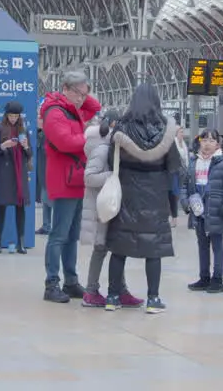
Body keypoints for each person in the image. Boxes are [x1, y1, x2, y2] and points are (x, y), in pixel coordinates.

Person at [103, 83, 181, 314]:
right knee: (153, 249)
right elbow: (174, 165)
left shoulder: (122, 128)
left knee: (119, 248)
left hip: (126, 193)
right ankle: (153, 299)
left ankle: (112, 297)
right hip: (155, 195)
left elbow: (110, 159)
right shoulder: (166, 130)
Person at [39, 71, 101, 303]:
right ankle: (51, 283)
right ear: (65, 89)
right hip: (64, 180)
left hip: (76, 179)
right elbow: (64, 142)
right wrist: (90, 140)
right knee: (59, 234)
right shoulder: (55, 112)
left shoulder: (73, 109)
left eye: (84, 93)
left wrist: (83, 94)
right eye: (78, 93)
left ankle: (71, 281)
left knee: (72, 235)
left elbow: (95, 107)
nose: (82, 99)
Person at [81, 109, 141, 308]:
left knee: (118, 248)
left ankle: (120, 290)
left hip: (113, 206)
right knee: (100, 249)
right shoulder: (101, 149)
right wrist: (111, 176)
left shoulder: (115, 149)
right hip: (102, 207)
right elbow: (89, 178)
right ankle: (91, 291)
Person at [185, 128, 223, 294]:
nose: (207, 144)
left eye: (211, 141)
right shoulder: (193, 162)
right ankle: (204, 277)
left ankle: (217, 279)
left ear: (217, 144)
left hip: (216, 210)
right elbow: (185, 185)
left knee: (217, 245)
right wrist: (186, 203)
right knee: (202, 245)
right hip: (198, 211)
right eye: (204, 140)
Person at [0, 101, 31, 254]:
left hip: (19, 173)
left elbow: (30, 154)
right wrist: (3, 146)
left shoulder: (23, 130)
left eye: (16, 116)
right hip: (3, 172)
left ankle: (21, 242)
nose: (13, 118)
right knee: (1, 206)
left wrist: (26, 146)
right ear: (6, 115)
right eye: (11, 115)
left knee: (20, 207)